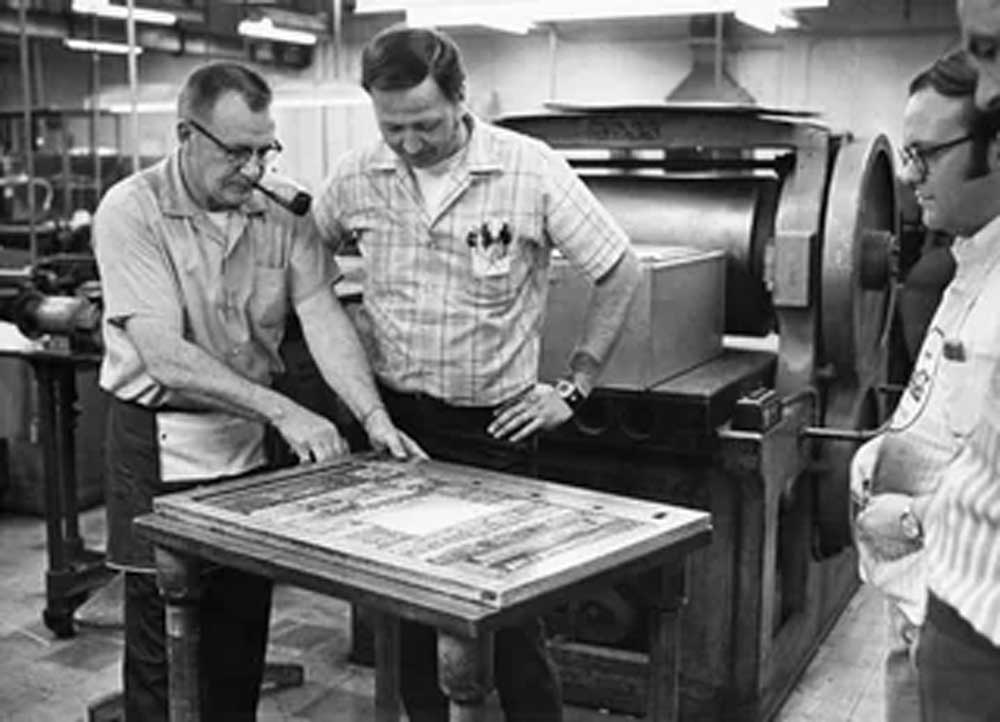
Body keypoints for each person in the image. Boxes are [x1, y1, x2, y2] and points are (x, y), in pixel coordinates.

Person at [313, 24, 642, 722]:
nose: (408, 143)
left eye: (425, 124)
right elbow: (307, 272)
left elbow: (620, 270)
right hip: (395, 430)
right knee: (402, 618)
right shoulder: (356, 175)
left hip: (493, 428)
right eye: (391, 126)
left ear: (461, 100)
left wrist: (574, 388)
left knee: (511, 621)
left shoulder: (529, 169)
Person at [92, 61, 423, 722]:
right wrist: (285, 410)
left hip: (244, 443)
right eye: (236, 151)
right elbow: (164, 357)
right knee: (165, 643)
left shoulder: (280, 213)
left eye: (263, 149)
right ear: (187, 134)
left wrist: (371, 413)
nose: (253, 169)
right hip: (158, 442)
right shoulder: (133, 209)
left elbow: (323, 317)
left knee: (240, 629)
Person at [849, 49, 1000, 722]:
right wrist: (885, 450)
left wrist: (912, 516)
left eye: (925, 154)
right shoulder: (969, 262)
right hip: (915, 600)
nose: (909, 178)